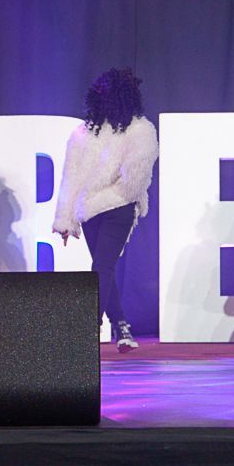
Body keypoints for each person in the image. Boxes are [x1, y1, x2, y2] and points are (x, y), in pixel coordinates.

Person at [53, 68, 159, 353]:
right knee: (104, 268)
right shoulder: (84, 133)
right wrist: (65, 219)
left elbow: (133, 181)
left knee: (102, 266)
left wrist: (93, 203)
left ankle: (89, 330)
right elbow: (71, 177)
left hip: (115, 209)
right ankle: (121, 325)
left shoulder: (139, 131)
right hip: (92, 211)